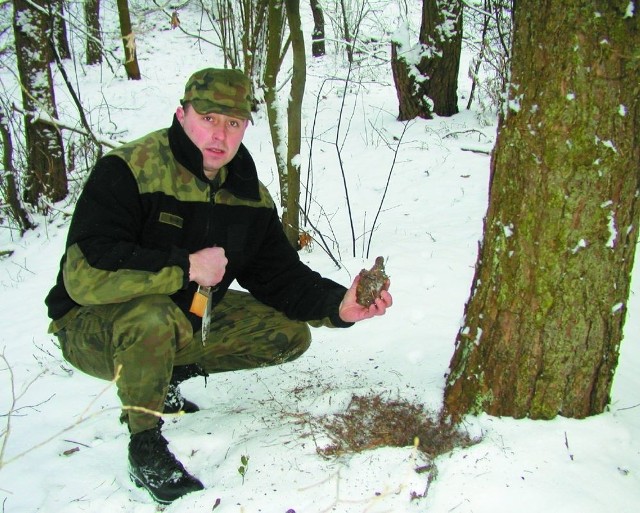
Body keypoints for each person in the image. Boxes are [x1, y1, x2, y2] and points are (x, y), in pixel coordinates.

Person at [45, 68, 392, 504]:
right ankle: (145, 444)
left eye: (233, 123)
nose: (220, 135)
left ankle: (164, 376)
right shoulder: (129, 169)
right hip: (89, 327)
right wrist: (185, 267)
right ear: (182, 113)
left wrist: (338, 306)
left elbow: (281, 277)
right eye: (208, 118)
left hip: (186, 320)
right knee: (153, 315)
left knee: (288, 335)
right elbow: (84, 277)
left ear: (246, 127)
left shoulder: (248, 194)